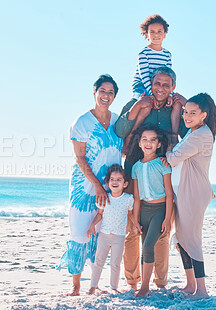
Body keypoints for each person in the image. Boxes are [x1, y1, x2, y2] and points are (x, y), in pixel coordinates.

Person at [114, 65, 187, 291]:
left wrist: (184, 103)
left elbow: (192, 131)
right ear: (151, 84)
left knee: (163, 234)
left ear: (173, 87)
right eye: (157, 83)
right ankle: (133, 280)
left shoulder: (176, 110)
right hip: (133, 175)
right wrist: (137, 106)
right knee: (132, 232)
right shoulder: (137, 102)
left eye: (166, 85)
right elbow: (119, 130)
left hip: (163, 177)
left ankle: (160, 282)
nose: (161, 88)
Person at [57, 74, 123, 296]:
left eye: (111, 92)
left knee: (100, 236)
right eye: (102, 91)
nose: (106, 95)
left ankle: (94, 285)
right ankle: (75, 286)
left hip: (110, 187)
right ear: (94, 93)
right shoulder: (82, 122)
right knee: (80, 234)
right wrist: (96, 185)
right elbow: (80, 158)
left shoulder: (117, 122)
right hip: (83, 189)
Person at [165, 93, 216, 300]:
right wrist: (180, 100)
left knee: (193, 240)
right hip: (184, 192)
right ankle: (190, 284)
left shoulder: (200, 135)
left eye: (192, 113)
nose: (187, 116)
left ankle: (202, 290)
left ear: (203, 115)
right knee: (181, 239)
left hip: (193, 194)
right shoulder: (193, 130)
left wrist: (170, 150)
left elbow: (173, 158)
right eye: (185, 112)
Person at [129, 124, 174, 297]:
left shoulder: (163, 164)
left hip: (160, 210)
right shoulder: (135, 168)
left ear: (159, 144)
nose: (148, 143)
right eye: (145, 140)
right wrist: (135, 220)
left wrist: (167, 218)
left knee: (149, 246)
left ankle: (145, 287)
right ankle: (144, 284)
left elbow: (169, 194)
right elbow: (136, 197)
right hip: (144, 211)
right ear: (139, 143)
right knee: (144, 248)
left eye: (153, 140)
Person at [130, 14, 182, 147]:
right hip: (142, 85)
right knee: (144, 104)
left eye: (159, 32)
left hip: (160, 87)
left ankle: (173, 136)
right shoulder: (144, 53)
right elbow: (144, 75)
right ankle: (131, 134)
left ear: (165, 34)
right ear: (146, 34)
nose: (156, 35)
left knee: (175, 103)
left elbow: (168, 76)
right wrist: (151, 94)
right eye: (152, 32)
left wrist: (169, 95)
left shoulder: (167, 55)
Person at [87, 164, 138, 294]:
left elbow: (131, 214)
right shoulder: (104, 197)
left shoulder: (128, 199)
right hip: (104, 236)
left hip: (119, 237)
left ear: (125, 184)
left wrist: (136, 224)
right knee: (99, 261)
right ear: (108, 182)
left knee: (115, 263)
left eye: (119, 179)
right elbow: (99, 214)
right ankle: (93, 286)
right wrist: (92, 225)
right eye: (112, 179)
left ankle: (113, 287)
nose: (115, 182)